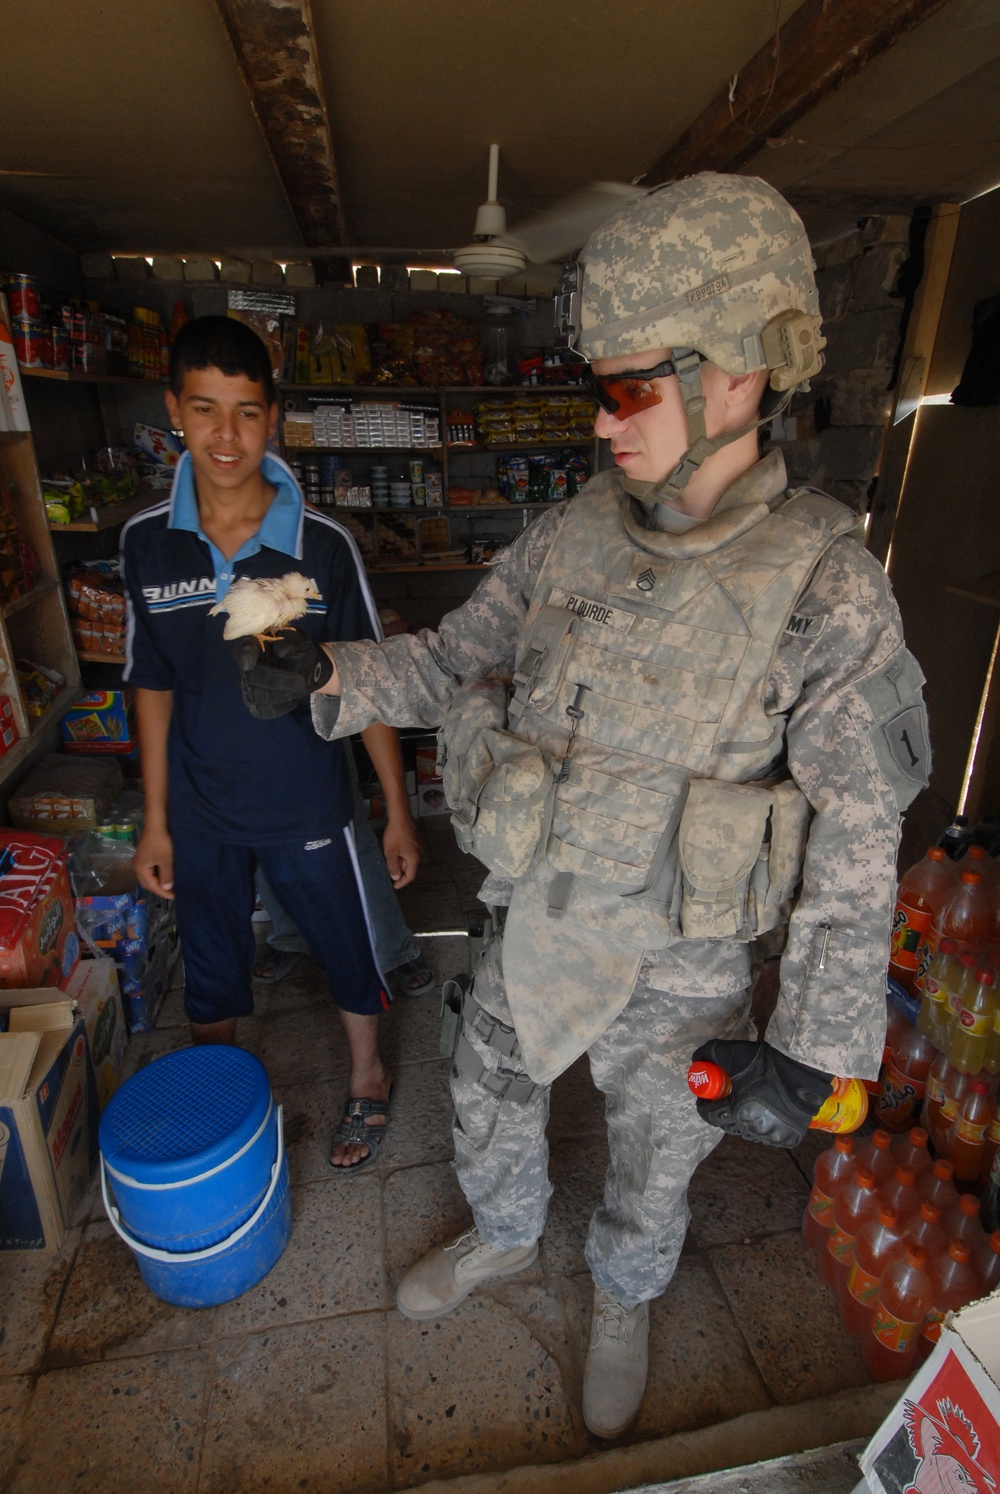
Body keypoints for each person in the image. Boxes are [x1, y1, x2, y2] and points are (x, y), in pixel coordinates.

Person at [234, 175, 930, 1434]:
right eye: (595, 389)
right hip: (539, 916)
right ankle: (504, 1237)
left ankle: (622, 1293)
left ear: (734, 372)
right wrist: (328, 675)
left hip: (680, 960)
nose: (603, 424)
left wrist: (818, 1047)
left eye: (626, 389)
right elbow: (450, 662)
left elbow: (859, 833)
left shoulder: (828, 585)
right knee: (487, 1088)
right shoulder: (567, 539)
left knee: (655, 1155)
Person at [122, 314, 415, 1173]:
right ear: (174, 408)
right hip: (201, 809)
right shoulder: (146, 542)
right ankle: (224, 1099)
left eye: (246, 412)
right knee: (210, 969)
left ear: (272, 417)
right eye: (205, 408)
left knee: (347, 950)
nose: (225, 434)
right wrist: (155, 821)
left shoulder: (321, 547)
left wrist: (395, 811)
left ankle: (368, 1078)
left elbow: (376, 681)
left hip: (308, 800)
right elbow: (151, 683)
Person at [252, 742, 436, 997]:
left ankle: (395, 949)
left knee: (350, 836)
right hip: (239, 734)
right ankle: (289, 936)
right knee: (259, 836)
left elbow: (372, 708)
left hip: (311, 716)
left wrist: (400, 815)